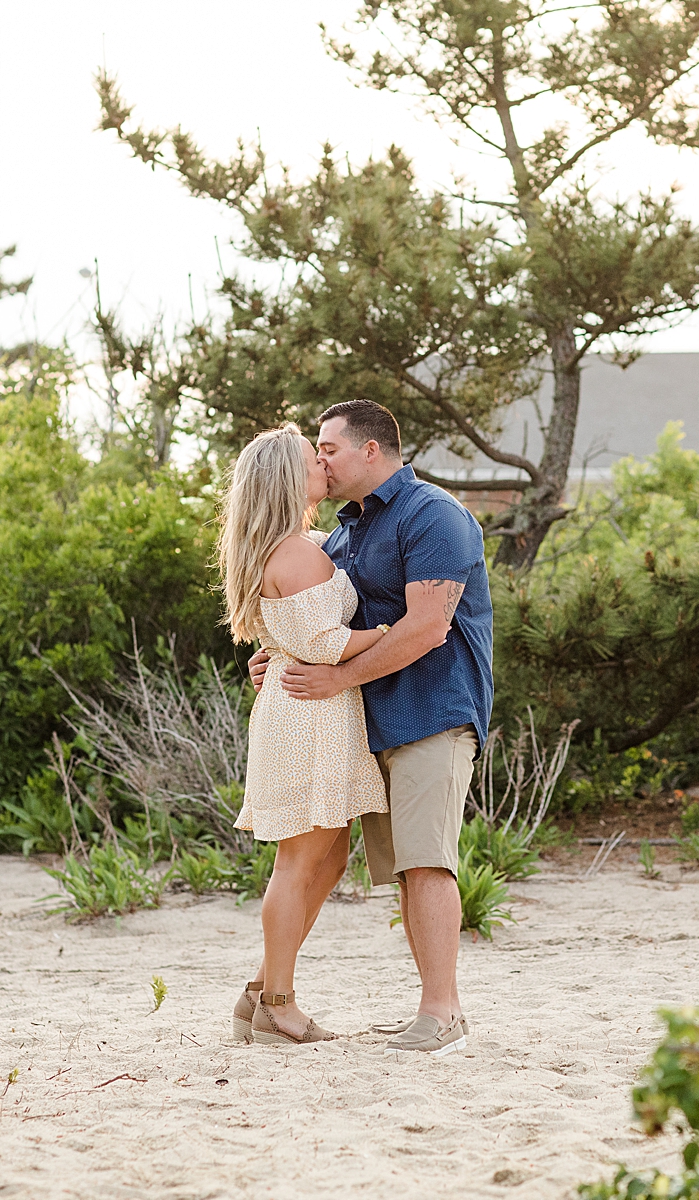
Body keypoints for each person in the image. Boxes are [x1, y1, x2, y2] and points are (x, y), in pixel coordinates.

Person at [250, 399, 494, 1058]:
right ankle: (274, 993)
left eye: (327, 448)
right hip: (370, 722)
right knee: (401, 870)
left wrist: (334, 678)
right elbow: (316, 620)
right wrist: (277, 654)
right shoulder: (343, 534)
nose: (320, 460)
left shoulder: (434, 515)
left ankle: (441, 1014)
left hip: (433, 710)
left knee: (427, 861)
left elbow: (429, 626)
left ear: (369, 450)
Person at [217, 423, 390, 1047]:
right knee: (298, 860)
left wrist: (275, 653)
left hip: (311, 710)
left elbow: (294, 634)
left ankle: (259, 991)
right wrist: (402, 632)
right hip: (310, 717)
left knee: (330, 853)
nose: (323, 462)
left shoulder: (302, 544)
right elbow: (329, 642)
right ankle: (279, 1004)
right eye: (310, 458)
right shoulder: (296, 552)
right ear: (289, 479)